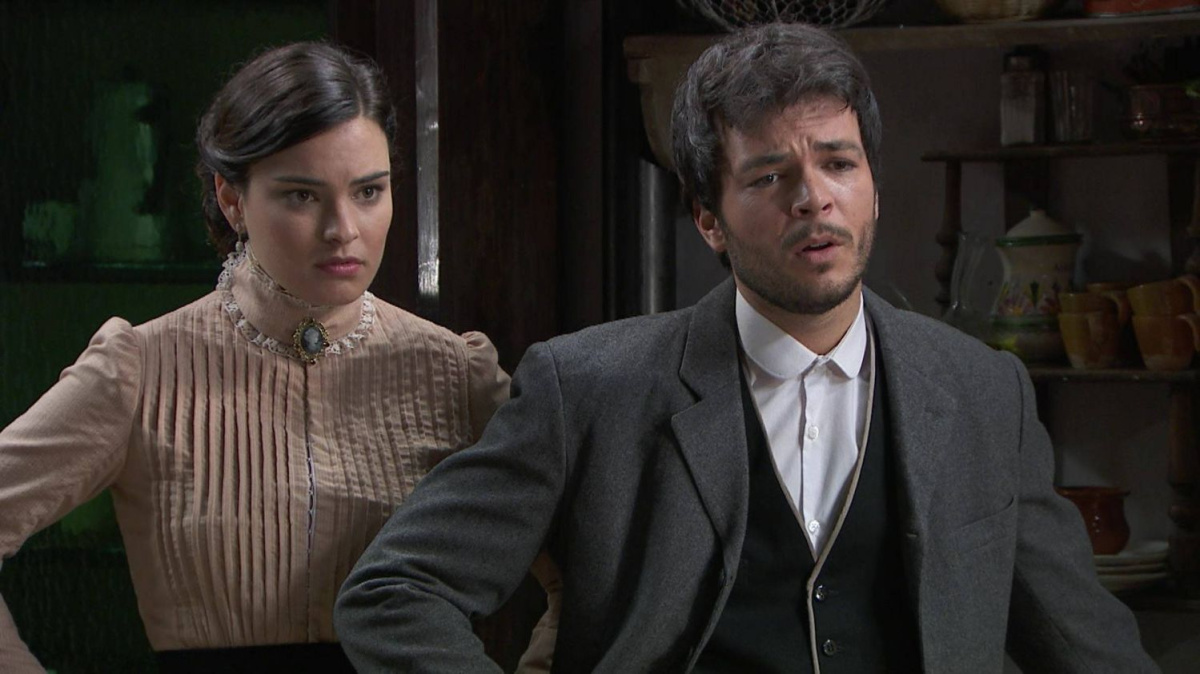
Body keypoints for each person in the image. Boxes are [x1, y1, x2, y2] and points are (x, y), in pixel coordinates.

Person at [334, 22, 1159, 673]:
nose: (814, 199)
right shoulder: (586, 388)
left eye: (839, 163)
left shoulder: (984, 391)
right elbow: (395, 589)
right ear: (708, 219)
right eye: (769, 176)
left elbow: (1085, 643)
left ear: (873, 187)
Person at [0, 41, 530, 673]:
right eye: (302, 196)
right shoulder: (140, 370)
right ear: (232, 201)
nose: (343, 229)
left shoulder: (455, 372)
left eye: (368, 191)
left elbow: (596, 568)